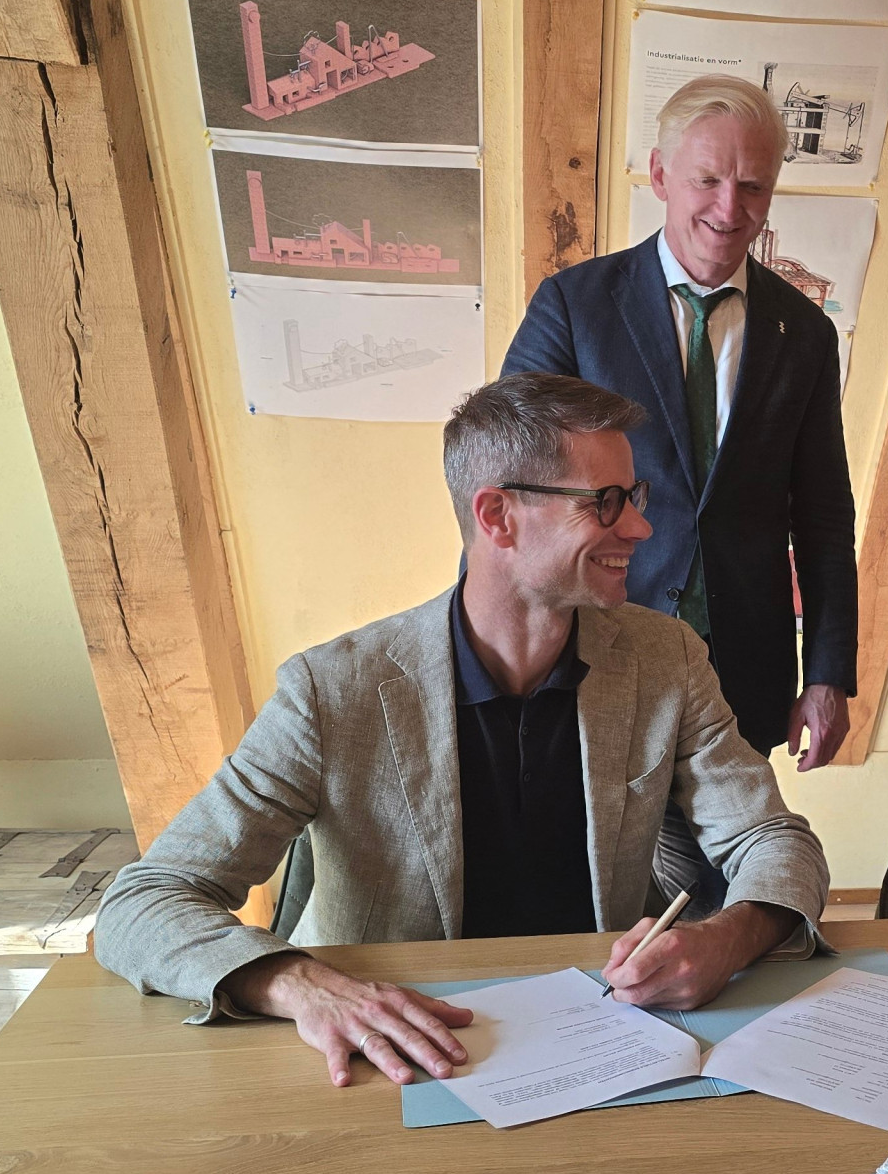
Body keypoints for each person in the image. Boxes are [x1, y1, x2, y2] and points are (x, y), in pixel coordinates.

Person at [94, 374, 830, 1086]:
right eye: (605, 502)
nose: (640, 527)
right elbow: (144, 901)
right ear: (497, 516)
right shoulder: (331, 691)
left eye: (634, 497)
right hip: (396, 1054)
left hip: (607, 1033)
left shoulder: (665, 658)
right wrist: (298, 983)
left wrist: (727, 936)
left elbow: (773, 838)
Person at [504, 75, 855, 772]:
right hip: (588, 646)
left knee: (726, 842)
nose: (730, 208)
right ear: (662, 175)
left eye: (752, 186)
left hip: (740, 675)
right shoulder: (575, 305)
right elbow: (506, 477)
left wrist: (827, 672)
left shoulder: (806, 334)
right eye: (708, 180)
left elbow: (823, 516)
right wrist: (496, 643)